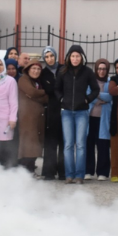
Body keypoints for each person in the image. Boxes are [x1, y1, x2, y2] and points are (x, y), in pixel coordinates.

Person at [55, 45, 101, 184]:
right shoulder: (62, 71)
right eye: (73, 56)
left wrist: (87, 99)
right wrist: (62, 99)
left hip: (82, 112)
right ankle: (69, 175)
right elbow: (57, 89)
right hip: (67, 112)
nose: (75, 59)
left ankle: (80, 175)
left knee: (81, 144)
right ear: (69, 57)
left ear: (82, 57)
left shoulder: (87, 72)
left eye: (78, 56)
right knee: (68, 144)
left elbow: (95, 89)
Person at [17, 58, 49, 173]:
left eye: (38, 69)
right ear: (28, 69)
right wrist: (43, 92)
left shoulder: (38, 82)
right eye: (33, 68)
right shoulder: (23, 79)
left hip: (37, 119)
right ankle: (24, 172)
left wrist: (39, 96)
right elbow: (32, 92)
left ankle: (30, 170)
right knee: (27, 146)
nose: (36, 71)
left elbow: (46, 99)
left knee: (35, 145)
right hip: (27, 119)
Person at [38, 47, 65, 180]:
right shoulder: (43, 73)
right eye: (47, 56)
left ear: (55, 56)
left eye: (51, 56)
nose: (49, 59)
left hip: (65, 109)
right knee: (50, 142)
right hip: (50, 111)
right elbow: (47, 89)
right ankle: (49, 172)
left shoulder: (63, 69)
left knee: (64, 142)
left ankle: (63, 172)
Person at [85, 59, 113, 181]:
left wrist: (96, 94)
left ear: (107, 70)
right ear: (96, 69)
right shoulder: (91, 81)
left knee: (103, 145)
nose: (101, 71)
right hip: (91, 117)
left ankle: (103, 172)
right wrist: (102, 98)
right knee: (89, 144)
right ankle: (88, 171)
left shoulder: (110, 82)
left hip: (104, 118)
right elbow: (88, 96)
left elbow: (111, 96)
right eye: (99, 69)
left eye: (104, 69)